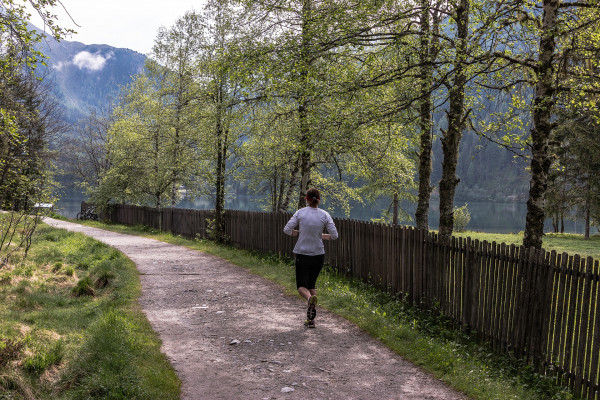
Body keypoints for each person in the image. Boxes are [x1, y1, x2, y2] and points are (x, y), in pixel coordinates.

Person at [283, 188, 338, 328]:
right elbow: (335, 235)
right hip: (318, 254)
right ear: (319, 199)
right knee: (312, 284)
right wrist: (322, 236)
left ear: (306, 199)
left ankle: (309, 299)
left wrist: (299, 233)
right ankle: (311, 319)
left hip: (303, 253)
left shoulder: (300, 213)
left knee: (302, 285)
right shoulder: (325, 215)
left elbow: (287, 230)